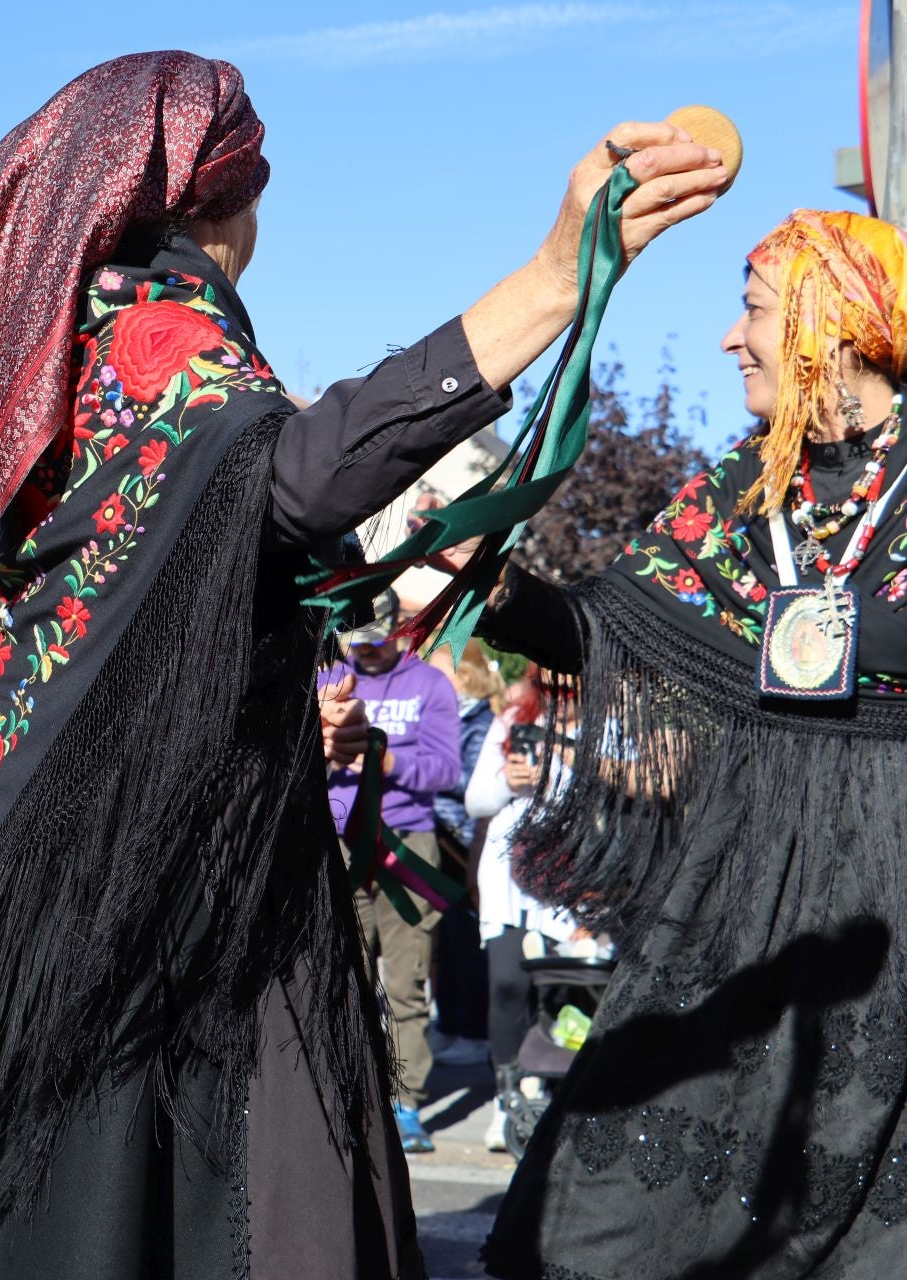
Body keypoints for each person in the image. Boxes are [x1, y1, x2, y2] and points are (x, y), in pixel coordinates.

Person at [0, 51, 724, 1279]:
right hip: (165, 880)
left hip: (73, 860)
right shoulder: (158, 331)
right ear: (228, 200)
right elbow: (303, 475)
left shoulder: (69, 351)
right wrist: (552, 277)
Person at [476, 209, 907, 1278]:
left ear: (830, 324)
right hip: (739, 879)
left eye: (754, 310)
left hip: (895, 886)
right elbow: (603, 629)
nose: (730, 337)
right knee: (627, 1192)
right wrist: (481, 579)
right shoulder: (738, 491)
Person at [323, 589, 465, 1154]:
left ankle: (406, 1105)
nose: (368, 652)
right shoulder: (331, 677)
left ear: (399, 627)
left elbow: (446, 769)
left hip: (407, 845)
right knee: (343, 976)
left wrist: (388, 761)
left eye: (376, 640)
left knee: (405, 984)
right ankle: (345, 1091)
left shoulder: (428, 684)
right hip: (340, 841)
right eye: (359, 641)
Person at [462, 670, 581, 1154]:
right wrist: (508, 782)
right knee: (508, 987)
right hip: (510, 883)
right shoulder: (514, 717)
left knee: (557, 992)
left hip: (570, 882)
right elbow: (475, 801)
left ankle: (548, 1092)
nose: (556, 689)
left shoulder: (606, 722)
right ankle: (508, 1098)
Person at [428, 643, 502, 1072]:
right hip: (435, 834)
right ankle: (450, 1023)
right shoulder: (445, 718)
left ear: (467, 676)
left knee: (466, 939)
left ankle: (474, 1032)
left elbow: (470, 777)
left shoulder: (481, 719)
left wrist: (417, 763)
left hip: (462, 839)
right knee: (446, 941)